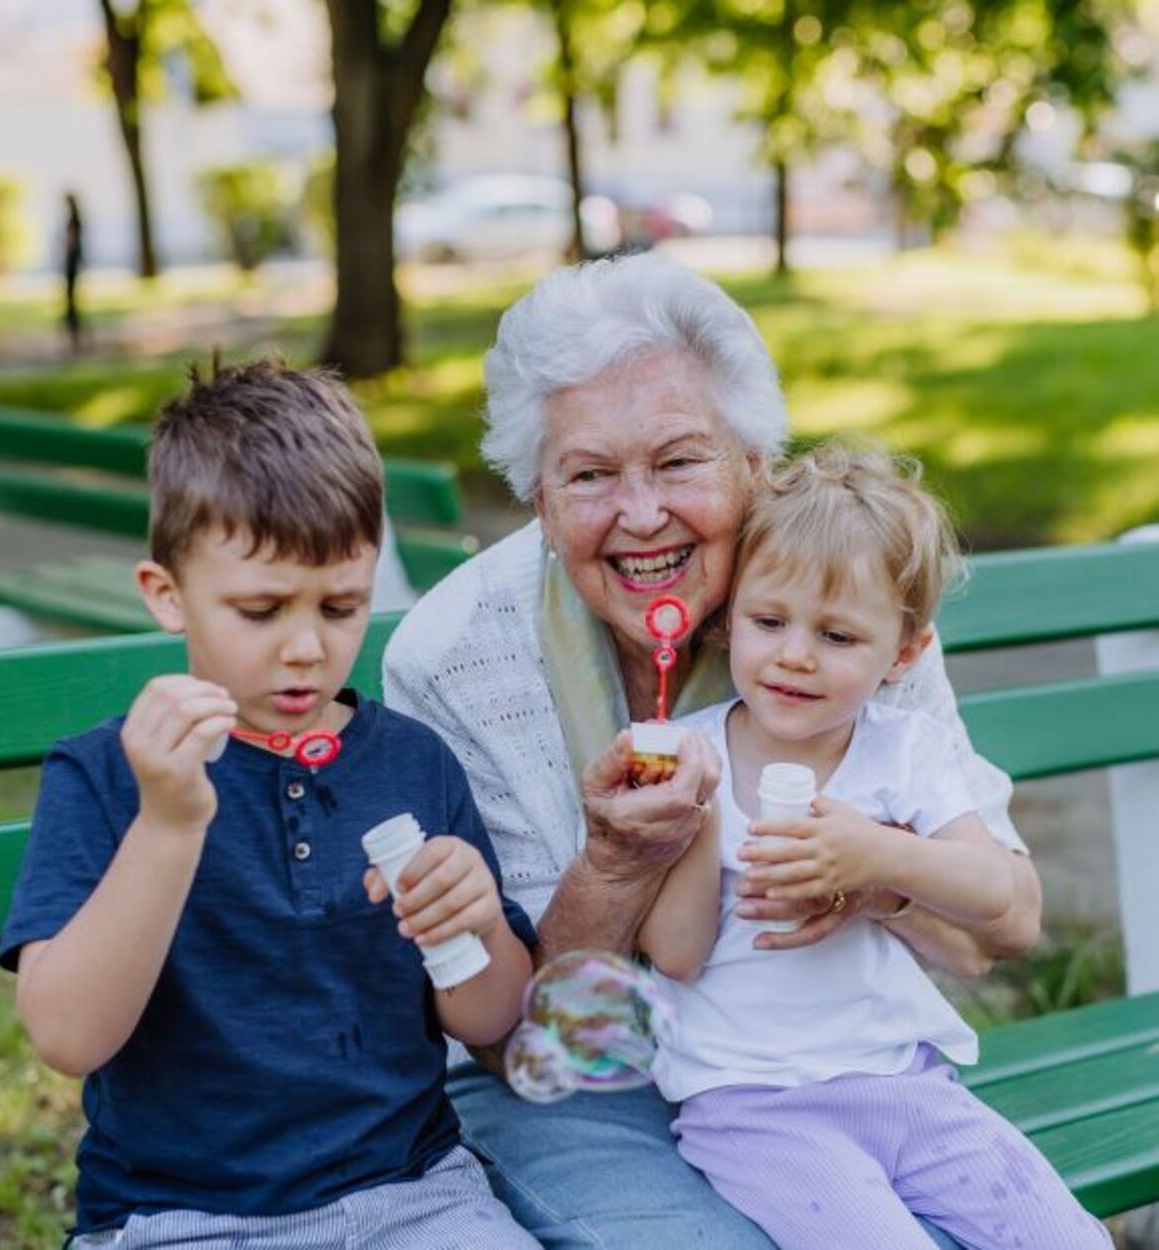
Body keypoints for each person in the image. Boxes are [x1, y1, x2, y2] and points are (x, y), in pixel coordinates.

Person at [383, 250, 1043, 1250]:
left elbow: (990, 926)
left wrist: (868, 877)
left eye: (680, 461)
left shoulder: (847, 616)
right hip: (576, 1087)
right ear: (537, 500)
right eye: (590, 474)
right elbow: (508, 1034)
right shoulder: (453, 655)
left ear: (754, 466)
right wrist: (613, 864)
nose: (640, 513)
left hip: (830, 1070)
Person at [0, 360, 540, 1249]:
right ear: (167, 596)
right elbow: (68, 1036)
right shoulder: (106, 777)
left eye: (341, 606)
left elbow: (490, 1023)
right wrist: (170, 825)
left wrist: (476, 920)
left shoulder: (412, 761)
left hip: (415, 1198)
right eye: (260, 610)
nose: (305, 648)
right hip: (178, 1218)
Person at [636, 445, 1107, 1250]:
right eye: (769, 621)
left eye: (838, 635)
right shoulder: (690, 754)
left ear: (904, 654)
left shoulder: (904, 752)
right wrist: (699, 819)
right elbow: (676, 957)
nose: (795, 655)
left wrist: (880, 859)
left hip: (909, 1087)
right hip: (755, 1105)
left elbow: (998, 894)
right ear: (726, 619)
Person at [62, 192, 85, 355]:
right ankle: (71, 322)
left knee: (70, 296)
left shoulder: (74, 220)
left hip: (72, 262)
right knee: (70, 295)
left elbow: (72, 241)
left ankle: (74, 327)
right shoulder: (76, 219)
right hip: (73, 261)